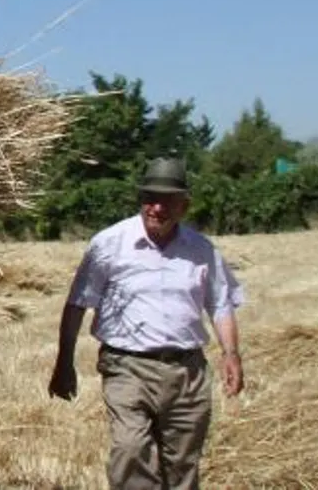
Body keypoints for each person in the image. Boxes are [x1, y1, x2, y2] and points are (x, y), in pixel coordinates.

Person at [48, 158, 245, 490]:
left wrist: (231, 354)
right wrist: (63, 362)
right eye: (149, 198)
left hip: (188, 372)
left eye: (166, 200)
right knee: (130, 451)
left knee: (182, 467)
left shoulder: (202, 250)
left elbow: (221, 305)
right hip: (127, 367)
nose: (156, 207)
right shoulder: (109, 244)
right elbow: (78, 304)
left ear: (184, 205)